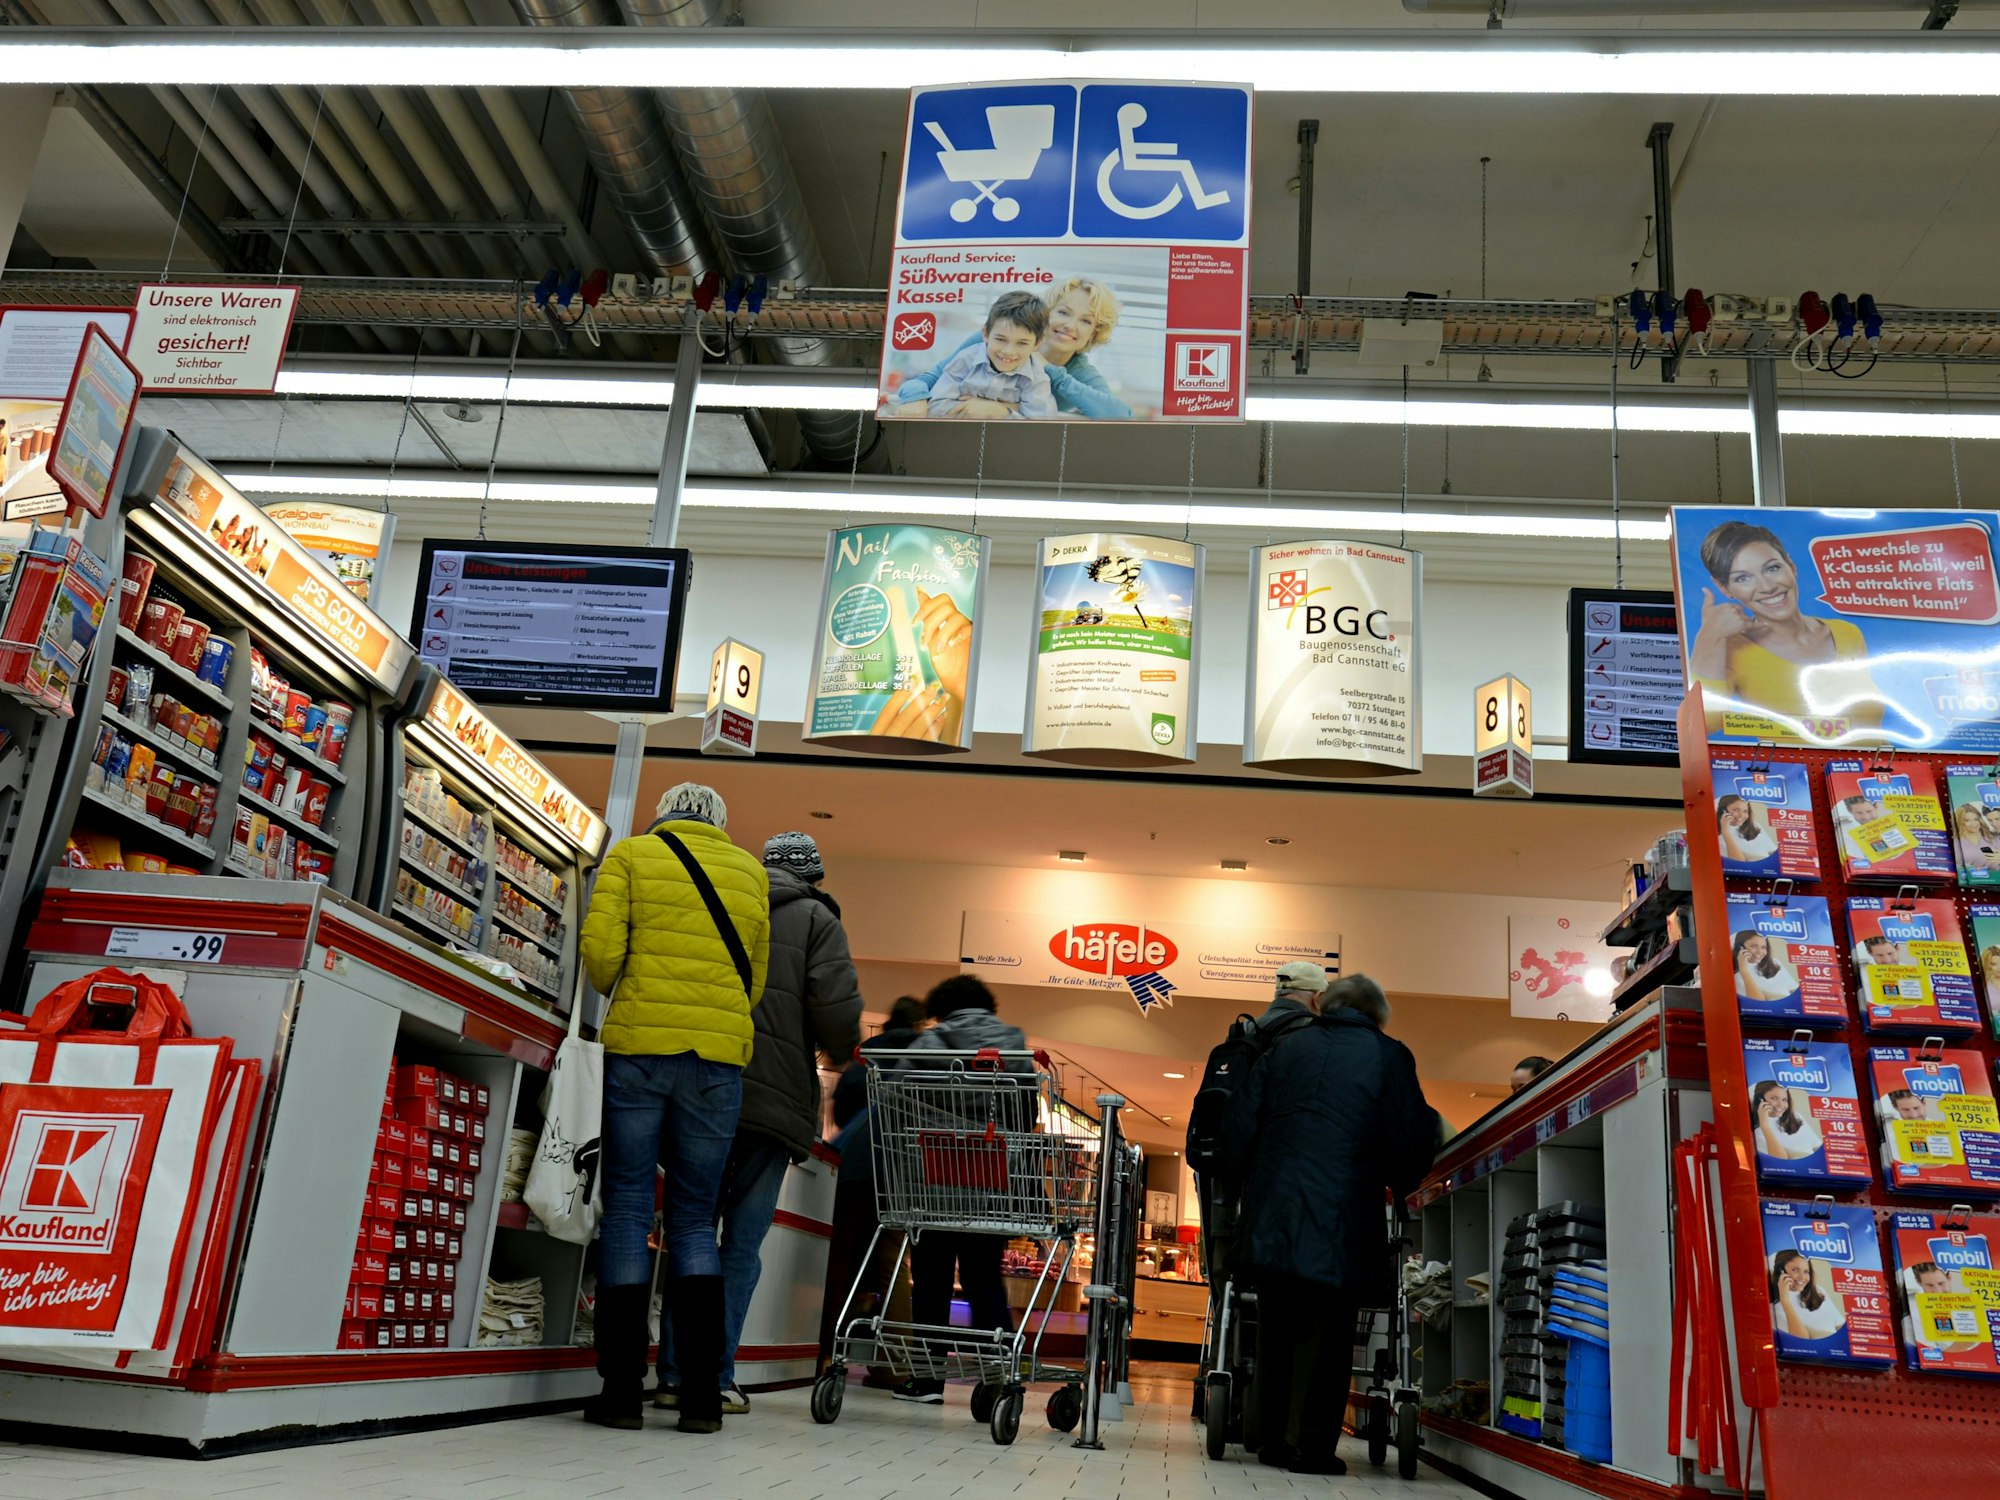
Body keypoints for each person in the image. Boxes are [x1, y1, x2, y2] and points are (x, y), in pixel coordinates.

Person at [579, 782, 772, 1435]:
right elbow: (756, 982)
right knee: (695, 1226)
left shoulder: (631, 857)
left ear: (663, 815)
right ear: (720, 823)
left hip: (639, 1051)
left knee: (630, 1211)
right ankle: (699, 1401)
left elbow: (601, 963)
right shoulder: (750, 874)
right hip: (717, 1062)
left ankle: (621, 1392)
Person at [657, 832, 862, 1418]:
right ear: (814, 876)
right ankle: (716, 1376)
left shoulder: (725, 897)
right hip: (771, 1107)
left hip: (704, 1084)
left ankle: (673, 1373)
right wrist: (837, 1050)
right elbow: (837, 1014)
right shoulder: (818, 919)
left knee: (691, 1231)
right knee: (740, 1245)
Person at [1224, 975, 1439, 1476]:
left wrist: (1250, 1188)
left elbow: (1240, 1128)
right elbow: (1409, 1140)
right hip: (1341, 1216)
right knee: (1327, 1332)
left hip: (1273, 1215)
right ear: (1377, 1015)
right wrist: (1398, 1180)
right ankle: (1310, 1447)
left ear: (1325, 1005)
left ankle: (1269, 1439)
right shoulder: (1389, 1056)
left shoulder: (1284, 1049)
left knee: (1275, 1325)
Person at [895, 975, 1030, 1404]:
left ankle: (929, 1379)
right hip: (990, 1182)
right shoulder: (1015, 1045)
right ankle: (1000, 1375)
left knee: (931, 1278)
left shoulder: (929, 1045)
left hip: (934, 1180)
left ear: (942, 1007)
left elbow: (895, 1102)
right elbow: (1026, 1113)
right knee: (982, 1277)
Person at [820, 996, 927, 1385]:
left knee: (841, 1260)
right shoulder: (925, 1053)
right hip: (900, 1171)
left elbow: (842, 1105)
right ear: (918, 1025)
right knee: (892, 1265)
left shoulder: (863, 1054)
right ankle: (893, 1366)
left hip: (854, 1168)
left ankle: (821, 1351)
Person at [1689, 521, 1880, 734]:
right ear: (1725, 588)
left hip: (1880, 767)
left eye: (1772, 568)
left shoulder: (1846, 632)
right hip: (1787, 769)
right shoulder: (1730, 650)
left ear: (1791, 566)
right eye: (1742, 578)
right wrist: (1709, 637)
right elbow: (1702, 726)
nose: (1767, 587)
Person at [897, 276, 1131, 419]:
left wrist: (1005, 409)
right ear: (1046, 313)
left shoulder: (1079, 373)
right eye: (1063, 312)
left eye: (1086, 321)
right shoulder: (990, 342)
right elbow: (926, 380)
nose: (1070, 325)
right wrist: (915, 398)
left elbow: (1120, 416)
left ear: (1095, 332)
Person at [921, 290, 1055, 419]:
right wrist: (1010, 409)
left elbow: (1040, 424)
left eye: (1022, 343)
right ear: (985, 334)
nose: (1008, 351)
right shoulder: (966, 360)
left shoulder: (1036, 377)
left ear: (1037, 344)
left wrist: (1001, 411)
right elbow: (935, 407)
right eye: (1001, 339)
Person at [1769, 1250, 1847, 1341]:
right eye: (1795, 1270)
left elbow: (1840, 1326)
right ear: (1781, 1271)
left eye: (1806, 1272)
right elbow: (1801, 1341)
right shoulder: (1773, 1308)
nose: (1802, 1278)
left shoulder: (1818, 1291)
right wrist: (1785, 1300)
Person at [1752, 1081, 1825, 1162]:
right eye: (1774, 1098)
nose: (1780, 1105)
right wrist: (1765, 1126)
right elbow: (1780, 1162)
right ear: (1760, 1100)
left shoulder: (1796, 1117)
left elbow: (1817, 1147)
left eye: (1784, 1100)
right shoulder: (1758, 1132)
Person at [1733, 930, 1799, 1003]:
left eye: (1763, 947)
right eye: (1754, 946)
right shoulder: (1737, 976)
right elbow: (1758, 1003)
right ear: (1740, 947)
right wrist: (1744, 971)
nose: (1759, 952)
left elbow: (1793, 989)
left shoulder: (1774, 962)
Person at [1717, 793, 1777, 865]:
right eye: (1736, 810)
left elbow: (1772, 851)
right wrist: (1726, 833)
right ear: (1723, 811)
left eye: (1745, 811)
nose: (1741, 815)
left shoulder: (1755, 825)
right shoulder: (1719, 835)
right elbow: (1738, 863)